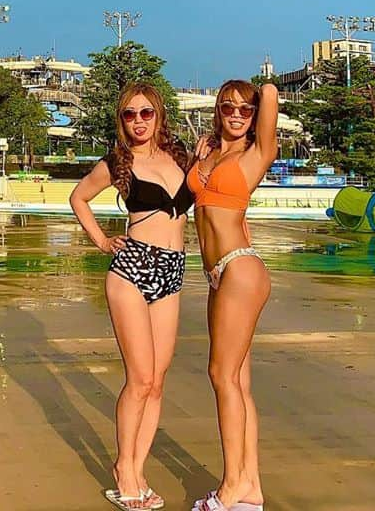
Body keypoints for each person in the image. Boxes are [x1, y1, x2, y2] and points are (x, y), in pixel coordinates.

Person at [70, 82, 194, 510]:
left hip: (173, 270)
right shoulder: (117, 163)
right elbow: (79, 197)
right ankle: (124, 470)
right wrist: (102, 241)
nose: (138, 121)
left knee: (157, 382)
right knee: (139, 378)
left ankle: (138, 468)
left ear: (159, 115)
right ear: (121, 120)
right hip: (133, 270)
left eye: (145, 113)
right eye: (129, 114)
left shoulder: (180, 157)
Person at [187, 80, 278, 511]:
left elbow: (272, 93)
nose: (237, 113)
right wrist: (200, 156)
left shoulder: (256, 154)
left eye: (246, 108)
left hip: (240, 267)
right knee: (238, 381)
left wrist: (260, 94)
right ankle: (251, 488)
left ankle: (230, 486)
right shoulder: (209, 153)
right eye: (228, 106)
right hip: (216, 274)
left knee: (221, 377)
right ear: (217, 109)